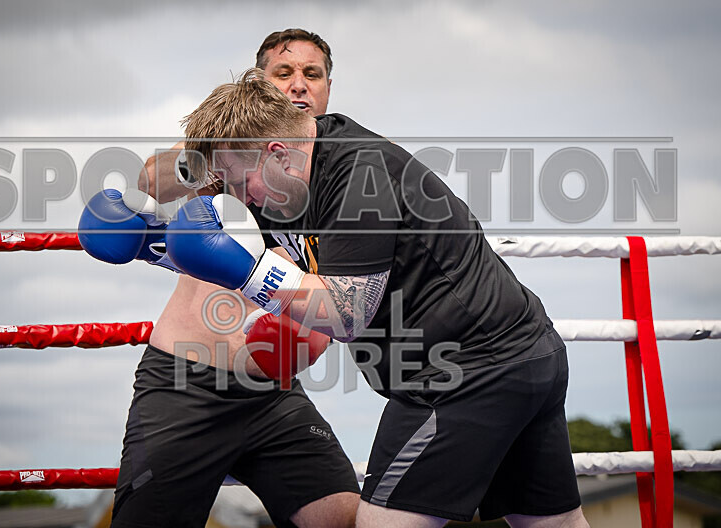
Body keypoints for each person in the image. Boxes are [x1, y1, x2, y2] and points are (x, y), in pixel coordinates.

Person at [166, 69, 591, 527]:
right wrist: (153, 241)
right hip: (526, 355)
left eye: (238, 181)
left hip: (466, 372)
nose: (237, 196)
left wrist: (251, 277)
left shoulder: (357, 177)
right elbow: (229, 240)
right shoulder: (287, 178)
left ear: (276, 154)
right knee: (553, 524)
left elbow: (347, 313)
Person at [97, 30, 360, 528]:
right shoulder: (225, 152)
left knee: (343, 518)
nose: (299, 84)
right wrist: (215, 155)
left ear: (328, 87)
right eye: (283, 73)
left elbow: (341, 299)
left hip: (272, 392)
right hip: (184, 384)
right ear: (260, 81)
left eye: (312, 74)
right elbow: (148, 180)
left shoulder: (340, 176)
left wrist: (306, 341)